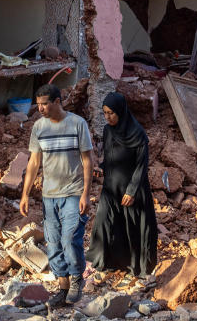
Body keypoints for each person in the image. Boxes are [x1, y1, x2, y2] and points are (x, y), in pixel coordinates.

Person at [20, 83, 94, 307]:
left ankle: (77, 279)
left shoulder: (77, 124)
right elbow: (34, 162)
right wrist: (25, 194)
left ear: (57, 102)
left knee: (70, 239)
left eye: (45, 104)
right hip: (49, 195)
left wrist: (86, 194)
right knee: (52, 243)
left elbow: (88, 160)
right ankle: (62, 286)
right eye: (38, 104)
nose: (40, 108)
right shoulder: (39, 128)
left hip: (73, 191)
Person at [86, 92, 158, 283]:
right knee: (104, 222)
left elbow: (141, 165)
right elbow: (110, 156)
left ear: (121, 111)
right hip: (112, 186)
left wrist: (132, 191)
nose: (108, 117)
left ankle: (136, 268)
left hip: (132, 189)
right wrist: (101, 168)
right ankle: (103, 261)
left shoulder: (137, 134)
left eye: (111, 113)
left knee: (132, 228)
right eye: (105, 113)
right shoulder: (109, 131)